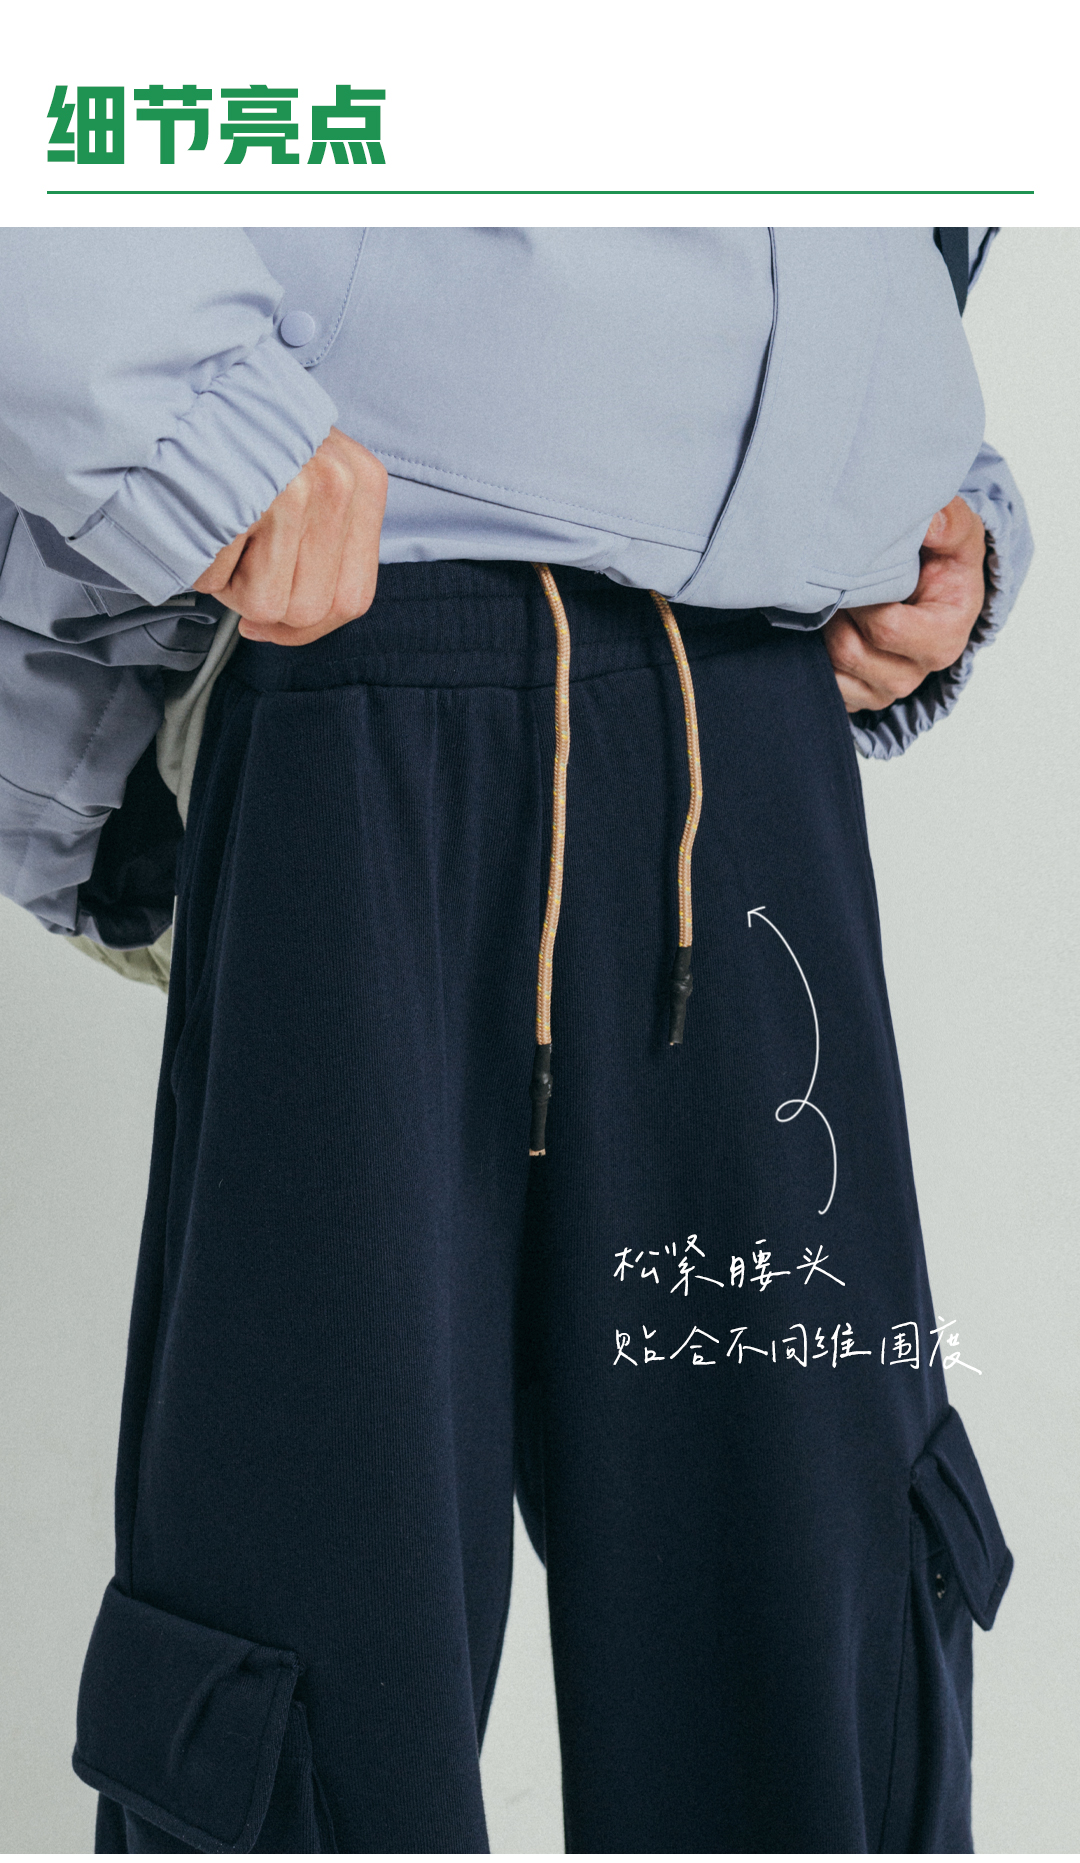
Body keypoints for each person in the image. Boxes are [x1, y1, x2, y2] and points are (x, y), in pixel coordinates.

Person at [0, 228, 1028, 1853]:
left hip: (756, 716)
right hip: (377, 665)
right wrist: (184, 418)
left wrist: (909, 465)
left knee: (818, 1640)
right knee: (312, 1665)